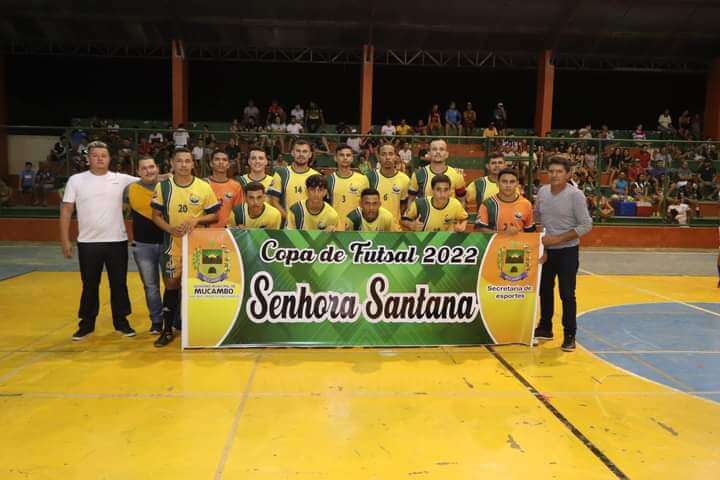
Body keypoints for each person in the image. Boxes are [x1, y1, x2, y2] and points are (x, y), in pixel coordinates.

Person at [60, 141, 139, 341]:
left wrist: (172, 175)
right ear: (88, 159)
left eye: (103, 155)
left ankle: (121, 322)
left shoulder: (120, 179)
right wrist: (64, 240)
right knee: (89, 285)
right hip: (88, 243)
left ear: (109, 159)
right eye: (95, 155)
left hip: (117, 242)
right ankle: (86, 324)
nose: (99, 159)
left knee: (119, 284)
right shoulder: (76, 180)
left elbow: (149, 179)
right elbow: (67, 210)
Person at [151, 148, 220, 347]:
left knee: (202, 286)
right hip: (173, 245)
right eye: (179, 161)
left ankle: (203, 328)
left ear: (193, 164)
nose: (183, 165)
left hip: (198, 246)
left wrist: (196, 220)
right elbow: (155, 215)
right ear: (172, 163)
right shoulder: (163, 187)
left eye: (187, 161)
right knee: (171, 285)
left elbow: (214, 215)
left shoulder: (203, 187)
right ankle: (167, 330)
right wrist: (170, 228)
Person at [533, 157, 593, 352]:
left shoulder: (576, 195)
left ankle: (569, 334)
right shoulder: (542, 192)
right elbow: (537, 217)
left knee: (567, 294)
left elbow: (586, 225)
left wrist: (557, 239)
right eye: (551, 171)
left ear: (568, 174)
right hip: (547, 251)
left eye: (559, 171)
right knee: (544, 290)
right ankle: (545, 327)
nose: (554, 175)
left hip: (567, 251)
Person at [123, 156, 165, 334]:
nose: (149, 171)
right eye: (144, 168)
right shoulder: (130, 189)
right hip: (143, 246)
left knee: (174, 284)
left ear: (157, 168)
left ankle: (176, 319)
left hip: (168, 243)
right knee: (151, 286)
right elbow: (121, 212)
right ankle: (156, 321)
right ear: (138, 172)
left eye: (152, 167)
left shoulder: (167, 186)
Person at [267, 140, 320, 219]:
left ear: (310, 155)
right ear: (292, 153)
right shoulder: (281, 173)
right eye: (298, 151)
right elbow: (273, 201)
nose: (301, 154)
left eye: (305, 151)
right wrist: (290, 220)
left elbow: (319, 203)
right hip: (286, 227)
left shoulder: (316, 176)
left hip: (309, 226)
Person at [408, 138, 466, 206]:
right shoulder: (418, 175)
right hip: (426, 216)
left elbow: (462, 201)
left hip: (449, 216)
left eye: (441, 149)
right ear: (429, 154)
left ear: (447, 154)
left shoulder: (457, 175)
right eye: (434, 149)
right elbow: (411, 200)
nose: (438, 152)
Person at [475, 169, 534, 234]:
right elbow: (479, 230)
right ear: (497, 183)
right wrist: (503, 233)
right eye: (504, 181)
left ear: (517, 184)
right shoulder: (487, 204)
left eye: (512, 182)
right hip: (495, 243)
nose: (508, 185)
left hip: (519, 243)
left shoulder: (526, 204)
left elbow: (530, 231)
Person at [402, 174, 468, 232]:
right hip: (424, 243)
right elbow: (403, 220)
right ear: (432, 190)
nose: (442, 194)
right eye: (438, 189)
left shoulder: (455, 204)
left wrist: (462, 226)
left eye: (446, 189)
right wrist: (412, 225)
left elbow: (464, 218)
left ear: (450, 191)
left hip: (447, 243)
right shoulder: (420, 204)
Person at [366, 144, 410, 225]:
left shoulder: (405, 179)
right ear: (378, 157)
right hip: (373, 227)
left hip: (395, 227)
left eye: (391, 154)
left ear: (396, 157)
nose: (387, 157)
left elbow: (403, 205)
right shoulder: (370, 177)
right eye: (383, 154)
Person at [327, 145, 370, 221]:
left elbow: (367, 205)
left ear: (352, 158)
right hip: (335, 227)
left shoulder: (363, 179)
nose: (345, 158)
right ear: (335, 158)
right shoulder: (329, 179)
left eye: (348, 155)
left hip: (356, 228)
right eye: (341, 155)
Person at [206, 150, 244, 227]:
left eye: (224, 160)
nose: (221, 162)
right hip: (204, 232)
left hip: (227, 232)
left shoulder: (236, 186)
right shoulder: (203, 184)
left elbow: (239, 212)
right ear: (211, 163)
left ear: (228, 164)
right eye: (217, 159)